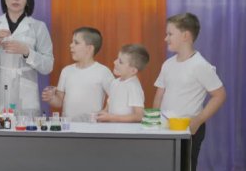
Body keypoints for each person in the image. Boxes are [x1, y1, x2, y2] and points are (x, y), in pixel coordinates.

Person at [152, 13, 226, 171]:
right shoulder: (168, 64)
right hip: (165, 128)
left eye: (170, 34)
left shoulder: (200, 65)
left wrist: (197, 121)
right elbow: (159, 96)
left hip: (188, 129)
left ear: (185, 35)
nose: (166, 38)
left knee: (185, 166)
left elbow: (219, 96)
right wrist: (154, 121)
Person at [42, 27, 114, 121]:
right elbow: (59, 102)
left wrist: (105, 111)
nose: (71, 45)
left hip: (92, 127)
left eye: (76, 43)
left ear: (89, 48)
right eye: (72, 42)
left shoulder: (103, 72)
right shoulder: (66, 71)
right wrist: (51, 98)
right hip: (68, 126)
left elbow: (116, 95)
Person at [97, 44, 149, 122]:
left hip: (126, 133)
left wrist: (111, 117)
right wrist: (101, 115)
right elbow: (108, 109)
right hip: (113, 130)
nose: (114, 62)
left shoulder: (133, 87)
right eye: (117, 59)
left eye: (120, 62)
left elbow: (139, 116)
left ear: (133, 71)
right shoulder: (114, 83)